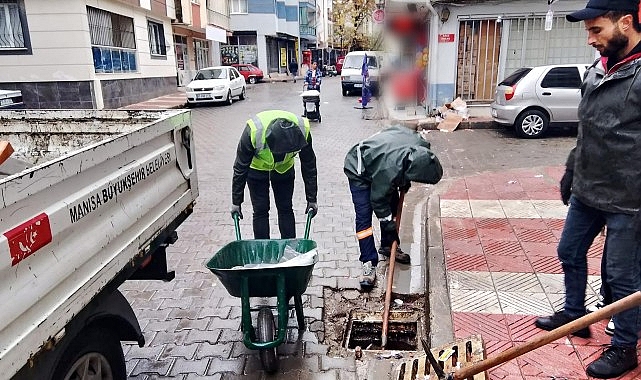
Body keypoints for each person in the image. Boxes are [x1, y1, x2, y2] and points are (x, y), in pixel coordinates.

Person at [534, 0, 641, 377]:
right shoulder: (598, 70)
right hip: (589, 187)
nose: (590, 39)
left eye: (597, 30)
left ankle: (625, 347)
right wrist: (571, 169)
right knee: (569, 250)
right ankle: (575, 314)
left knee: (622, 276)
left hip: (629, 198)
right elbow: (590, 128)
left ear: (625, 23)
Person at [343, 126, 443, 290]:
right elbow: (378, 200)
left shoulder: (422, 148)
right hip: (359, 168)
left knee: (393, 207)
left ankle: (389, 246)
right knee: (364, 217)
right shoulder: (389, 169)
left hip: (382, 159)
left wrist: (405, 180)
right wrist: (390, 227)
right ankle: (368, 261)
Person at [231, 110, 318, 239]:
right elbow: (240, 168)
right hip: (257, 169)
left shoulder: (302, 130)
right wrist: (236, 202)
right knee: (260, 210)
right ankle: (263, 250)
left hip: (284, 170)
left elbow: (309, 164)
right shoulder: (253, 131)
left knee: (285, 208)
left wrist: (312, 198)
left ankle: (289, 249)